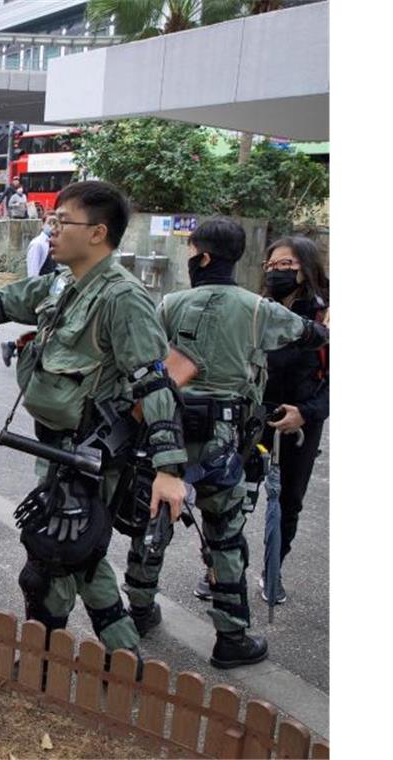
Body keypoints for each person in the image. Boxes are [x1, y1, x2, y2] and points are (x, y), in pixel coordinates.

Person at [0, 181, 188, 659]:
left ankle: (96, 662)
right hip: (56, 448)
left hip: (91, 453)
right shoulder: (60, 283)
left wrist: (168, 471)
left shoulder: (122, 298)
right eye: (54, 219)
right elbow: (0, 306)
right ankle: (82, 661)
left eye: (63, 221)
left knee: (62, 555)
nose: (53, 228)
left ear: (98, 233)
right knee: (70, 557)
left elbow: (153, 381)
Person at [121, 218, 329, 669]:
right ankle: (231, 637)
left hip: (168, 431)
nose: (190, 257)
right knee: (226, 534)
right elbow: (313, 336)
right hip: (224, 438)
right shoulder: (259, 310)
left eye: (192, 249)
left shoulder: (170, 303)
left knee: (153, 518)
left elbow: (149, 361)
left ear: (204, 256)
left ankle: (137, 612)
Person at [255, 236, 329, 603]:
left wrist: (306, 413)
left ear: (306, 268)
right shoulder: (256, 309)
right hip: (252, 416)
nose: (276, 272)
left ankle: (273, 569)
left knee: (288, 502)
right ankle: (218, 570)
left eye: (285, 265)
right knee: (229, 496)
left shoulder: (324, 316)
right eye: (271, 266)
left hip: (300, 422)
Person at [25, 214, 58, 278]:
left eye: (56, 223)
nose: (53, 226)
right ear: (43, 225)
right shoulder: (37, 244)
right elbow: (33, 273)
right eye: (50, 222)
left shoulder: (54, 243)